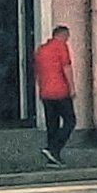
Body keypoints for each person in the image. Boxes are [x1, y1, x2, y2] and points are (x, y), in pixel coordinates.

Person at [32, 22, 76, 165]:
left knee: (52, 124)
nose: (67, 40)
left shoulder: (41, 50)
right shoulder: (61, 47)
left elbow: (37, 72)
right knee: (70, 121)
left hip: (46, 92)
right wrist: (72, 88)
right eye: (67, 37)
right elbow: (66, 68)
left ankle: (52, 158)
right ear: (63, 35)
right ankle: (54, 148)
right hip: (60, 91)